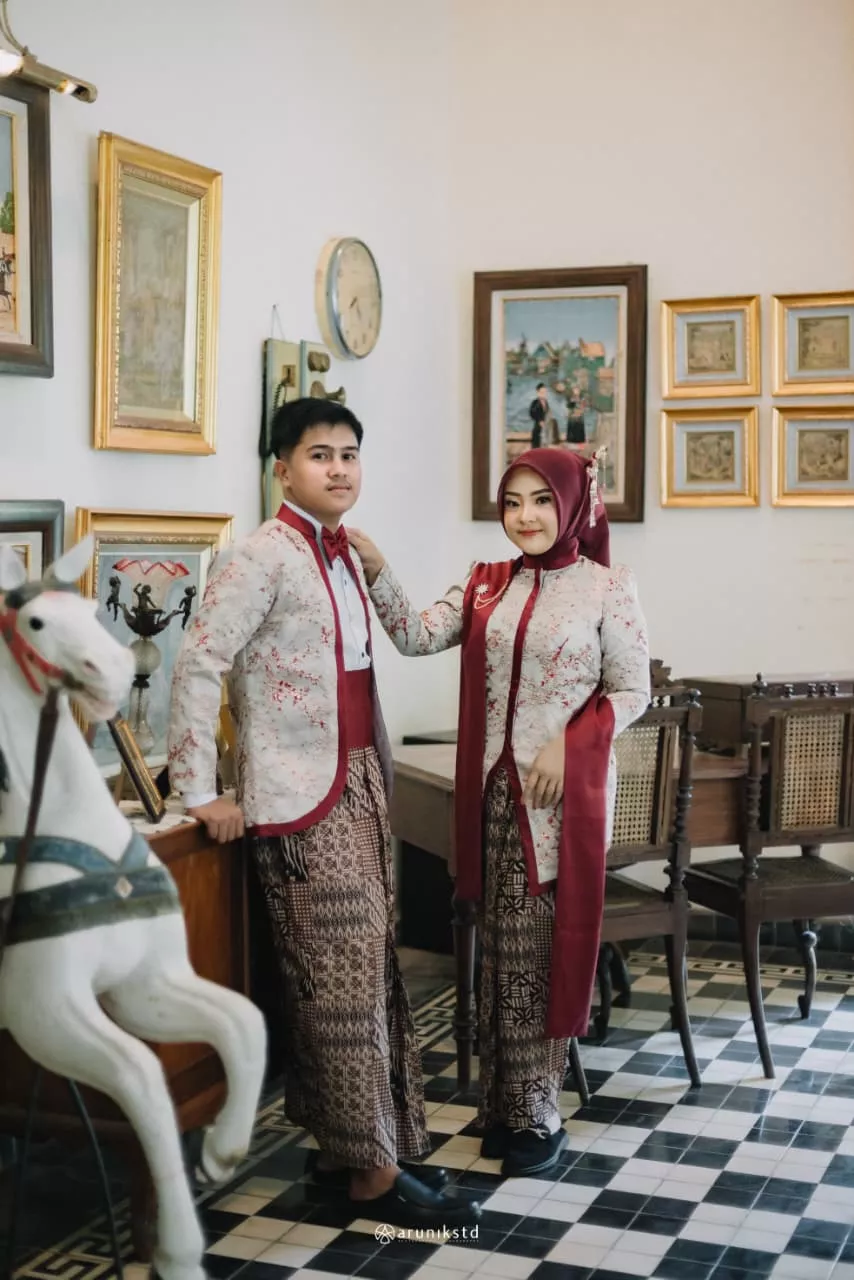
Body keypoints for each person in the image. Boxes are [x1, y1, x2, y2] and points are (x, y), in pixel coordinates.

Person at [167, 398, 481, 1230]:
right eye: (319, 454)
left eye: (349, 454)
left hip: (360, 782)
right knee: (336, 985)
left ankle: (352, 1156)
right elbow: (198, 663)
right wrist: (198, 791)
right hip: (298, 800)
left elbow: (407, 639)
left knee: (366, 975)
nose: (338, 468)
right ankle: (373, 1175)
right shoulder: (259, 555)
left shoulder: (346, 552)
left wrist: (419, 577)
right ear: (282, 469)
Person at [349, 448, 650, 1179]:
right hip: (491, 794)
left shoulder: (609, 588)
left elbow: (632, 689)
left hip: (559, 800)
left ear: (571, 505)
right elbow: (417, 635)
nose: (525, 516)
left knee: (539, 951)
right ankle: (504, 1105)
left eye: (541, 500)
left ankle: (537, 1113)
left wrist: (568, 747)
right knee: (501, 950)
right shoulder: (486, 585)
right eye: (512, 502)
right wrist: (378, 568)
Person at [528, 382, 549, 448]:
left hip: (545, 428)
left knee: (545, 446)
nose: (543, 394)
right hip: (537, 428)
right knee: (536, 446)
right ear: (537, 392)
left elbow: (547, 413)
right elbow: (531, 413)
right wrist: (539, 420)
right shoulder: (535, 402)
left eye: (545, 392)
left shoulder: (546, 402)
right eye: (542, 392)